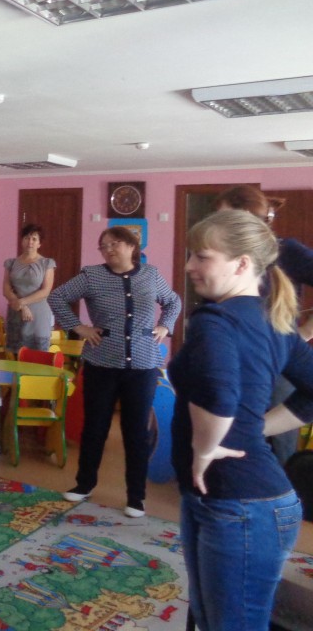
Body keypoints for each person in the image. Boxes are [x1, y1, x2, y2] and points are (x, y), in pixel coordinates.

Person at [169, 209, 313, 631]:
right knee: (211, 620)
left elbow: (220, 396)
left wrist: (205, 448)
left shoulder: (214, 321)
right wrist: (256, 429)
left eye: (202, 257)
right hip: (231, 500)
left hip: (241, 505)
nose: (189, 266)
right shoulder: (272, 319)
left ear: (242, 264)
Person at [48, 225, 181, 518]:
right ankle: (84, 484)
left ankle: (136, 497)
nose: (108, 249)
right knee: (95, 427)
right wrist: (78, 327)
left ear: (132, 246)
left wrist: (165, 325)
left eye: (115, 243)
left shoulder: (151, 275)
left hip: (143, 366)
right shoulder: (91, 276)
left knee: (137, 432)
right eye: (104, 245)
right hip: (101, 363)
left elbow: (173, 301)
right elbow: (56, 297)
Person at [214, 184, 313, 464]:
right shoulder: (225, 258)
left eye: (225, 217)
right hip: (234, 360)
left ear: (246, 217)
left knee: (279, 446)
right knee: (229, 432)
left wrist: (306, 331)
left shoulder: (287, 251)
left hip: (279, 362)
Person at [2, 223, 56, 354]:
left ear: (39, 243)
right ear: (22, 240)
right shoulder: (11, 263)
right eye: (27, 238)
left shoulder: (47, 263)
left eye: (34, 239)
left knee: (38, 356)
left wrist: (22, 302)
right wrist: (22, 307)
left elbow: (45, 291)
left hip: (38, 314)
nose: (30, 242)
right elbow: (6, 289)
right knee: (15, 355)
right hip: (16, 311)